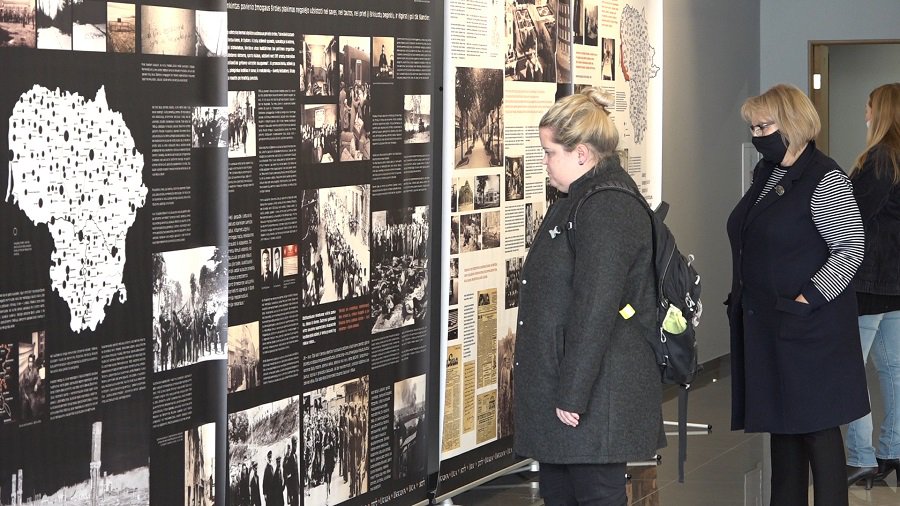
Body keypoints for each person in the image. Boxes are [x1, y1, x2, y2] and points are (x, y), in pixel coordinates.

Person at [513, 87, 664, 505]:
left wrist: (572, 393)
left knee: (595, 494)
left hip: (595, 397)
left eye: (549, 153)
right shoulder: (579, 198)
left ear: (582, 154)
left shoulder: (606, 206)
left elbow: (596, 306)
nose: (544, 164)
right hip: (577, 393)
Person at [726, 83, 869, 506]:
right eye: (752, 127)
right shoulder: (767, 173)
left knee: (817, 432)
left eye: (764, 125)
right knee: (783, 433)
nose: (757, 135)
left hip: (809, 328)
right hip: (771, 323)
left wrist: (808, 298)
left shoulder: (825, 178)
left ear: (792, 124)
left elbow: (850, 248)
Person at [845, 82, 900, 488]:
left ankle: (862, 458)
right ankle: (893, 452)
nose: (864, 112)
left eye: (867, 105)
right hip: (896, 282)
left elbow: (851, 214)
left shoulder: (880, 159)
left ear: (881, 111)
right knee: (894, 371)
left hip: (869, 281)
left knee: (851, 370)